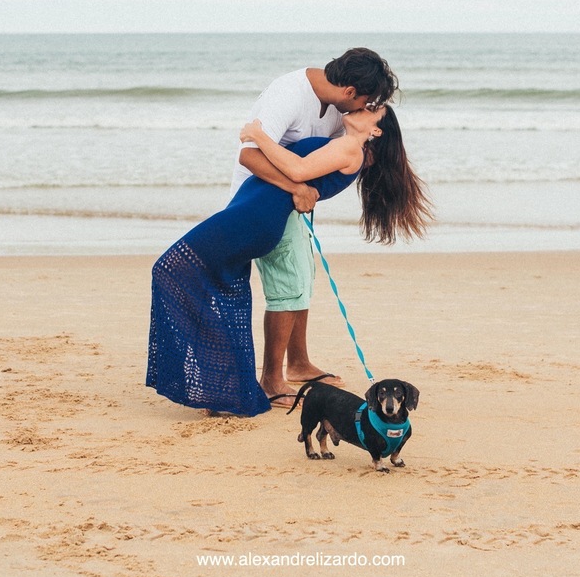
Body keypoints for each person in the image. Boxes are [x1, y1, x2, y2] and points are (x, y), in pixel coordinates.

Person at [147, 104, 432, 416]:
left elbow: (297, 170)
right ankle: (224, 388)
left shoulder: (352, 149)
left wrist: (258, 135)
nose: (364, 107)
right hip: (253, 212)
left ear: (375, 130)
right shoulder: (344, 143)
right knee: (208, 282)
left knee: (170, 269)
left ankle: (228, 386)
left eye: (372, 110)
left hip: (256, 216)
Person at [230, 49, 398, 405]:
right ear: (350, 91)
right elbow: (248, 154)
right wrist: (297, 189)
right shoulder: (288, 95)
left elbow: (334, 155)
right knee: (287, 284)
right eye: (367, 101)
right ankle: (271, 380)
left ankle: (299, 362)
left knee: (303, 278)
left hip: (293, 202)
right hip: (261, 201)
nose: (365, 108)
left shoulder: (340, 110)